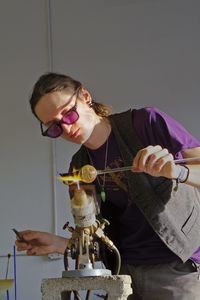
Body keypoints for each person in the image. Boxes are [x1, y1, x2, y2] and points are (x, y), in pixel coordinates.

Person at [16, 72, 200, 300]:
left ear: (85, 96)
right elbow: (97, 238)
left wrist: (178, 171)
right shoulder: (79, 166)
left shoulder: (146, 122)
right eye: (54, 127)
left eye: (69, 114)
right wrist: (58, 244)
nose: (66, 127)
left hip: (176, 269)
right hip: (124, 273)